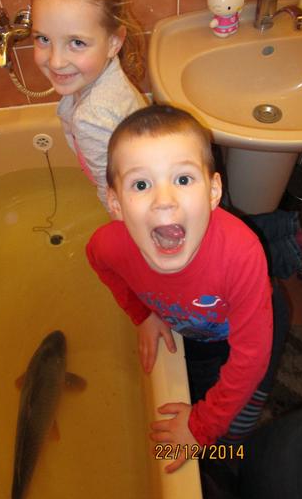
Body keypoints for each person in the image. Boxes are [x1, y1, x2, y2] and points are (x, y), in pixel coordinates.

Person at [86, 104, 287, 473]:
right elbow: (100, 263)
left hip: (254, 330)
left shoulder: (241, 254)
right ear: (115, 203)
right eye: (141, 184)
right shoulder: (109, 245)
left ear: (213, 191)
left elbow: (250, 359)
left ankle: (234, 460)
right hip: (197, 332)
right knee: (205, 385)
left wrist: (202, 427)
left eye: (182, 179)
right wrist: (143, 314)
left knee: (239, 420)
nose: (164, 200)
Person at [29, 0, 148, 210]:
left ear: (114, 42)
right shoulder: (107, 75)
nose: (56, 61)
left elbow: (113, 192)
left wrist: (120, 228)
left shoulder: (92, 118)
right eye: (43, 39)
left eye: (77, 43)